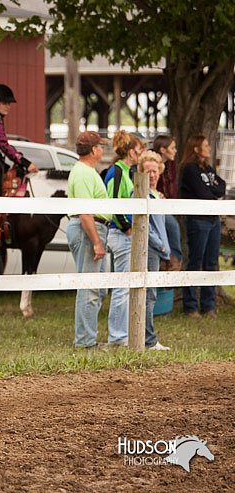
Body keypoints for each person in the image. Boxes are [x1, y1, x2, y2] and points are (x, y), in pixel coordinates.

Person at [66, 131, 111, 348]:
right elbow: (85, 212)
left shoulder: (87, 171)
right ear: (93, 150)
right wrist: (96, 241)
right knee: (90, 286)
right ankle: (85, 341)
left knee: (98, 287)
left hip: (93, 228)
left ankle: (87, 337)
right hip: (88, 229)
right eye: (101, 146)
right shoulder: (84, 172)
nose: (102, 149)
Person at [104, 130, 145, 346]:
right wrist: (127, 226)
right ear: (130, 152)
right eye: (138, 150)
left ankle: (121, 333)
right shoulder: (118, 172)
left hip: (123, 233)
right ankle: (118, 336)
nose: (141, 154)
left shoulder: (125, 171)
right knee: (122, 286)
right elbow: (115, 204)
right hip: (120, 233)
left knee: (125, 285)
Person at [179, 134, 225, 319]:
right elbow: (203, 193)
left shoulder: (207, 168)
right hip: (198, 219)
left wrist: (212, 190)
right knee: (196, 261)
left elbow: (221, 187)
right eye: (205, 145)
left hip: (213, 220)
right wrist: (212, 190)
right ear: (196, 148)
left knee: (211, 262)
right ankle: (190, 306)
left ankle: (209, 305)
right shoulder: (189, 169)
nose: (208, 148)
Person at [137, 151, 171, 351]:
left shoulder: (156, 195)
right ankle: (148, 340)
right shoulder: (141, 194)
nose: (152, 175)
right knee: (148, 295)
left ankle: (146, 337)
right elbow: (145, 228)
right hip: (149, 249)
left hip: (157, 250)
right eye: (148, 171)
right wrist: (161, 245)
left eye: (155, 170)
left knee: (150, 294)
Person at [0, 84, 38, 197]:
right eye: (5, 103)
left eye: (9, 103)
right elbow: (5, 146)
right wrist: (26, 163)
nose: (8, 106)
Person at [152, 135, 182, 270]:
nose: (175, 151)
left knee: (169, 229)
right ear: (163, 150)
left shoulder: (171, 165)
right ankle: (173, 260)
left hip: (167, 206)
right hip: (154, 205)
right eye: (173, 148)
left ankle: (169, 261)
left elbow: (171, 188)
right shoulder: (152, 163)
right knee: (173, 227)